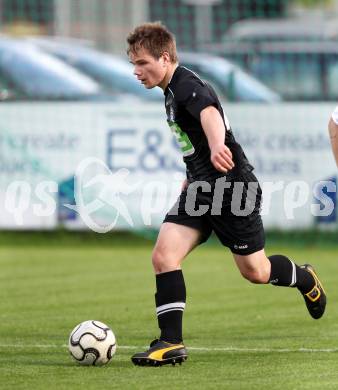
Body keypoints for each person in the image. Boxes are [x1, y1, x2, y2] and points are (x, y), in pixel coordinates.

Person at [126, 22, 326, 367]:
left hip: (232, 187)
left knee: (255, 271)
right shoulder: (170, 91)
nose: (136, 71)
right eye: (133, 64)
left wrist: (218, 143)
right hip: (202, 188)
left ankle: (304, 277)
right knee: (163, 256)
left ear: (163, 57)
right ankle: (171, 342)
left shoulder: (186, 84)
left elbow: (209, 112)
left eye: (142, 63)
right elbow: (194, 142)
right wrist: (192, 176)